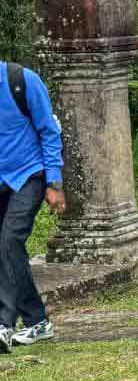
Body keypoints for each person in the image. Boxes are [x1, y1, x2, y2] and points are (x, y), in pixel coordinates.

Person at [0, 61, 65, 353]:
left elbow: (49, 130)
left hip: (29, 173)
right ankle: (37, 321)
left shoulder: (22, 81)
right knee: (5, 250)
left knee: (10, 240)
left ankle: (4, 324)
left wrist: (54, 183)